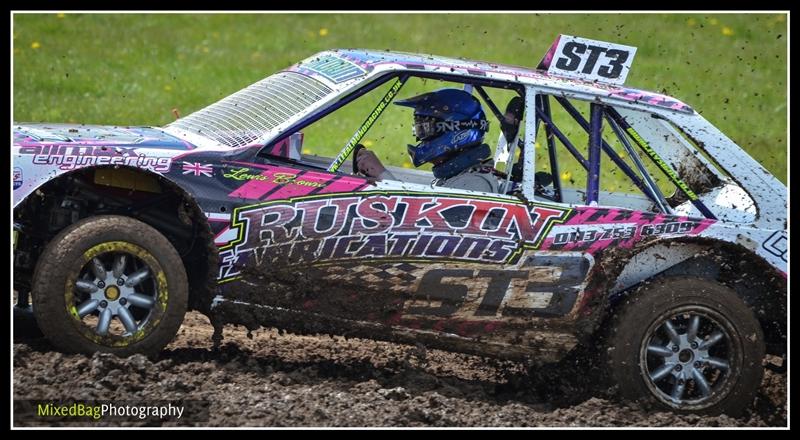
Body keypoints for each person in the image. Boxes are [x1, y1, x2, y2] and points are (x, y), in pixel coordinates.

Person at [355, 88, 500, 193]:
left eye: (425, 129)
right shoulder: (454, 178)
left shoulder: (475, 184)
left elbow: (423, 222)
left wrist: (382, 175)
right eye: (418, 129)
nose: (420, 137)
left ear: (456, 130)